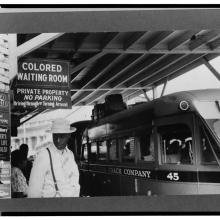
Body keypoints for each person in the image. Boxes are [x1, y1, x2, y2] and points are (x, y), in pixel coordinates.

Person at [27, 118, 80, 198]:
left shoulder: (70, 154)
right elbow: (33, 192)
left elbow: (75, 181)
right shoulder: (44, 155)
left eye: (62, 136)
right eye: (55, 136)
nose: (58, 140)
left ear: (69, 135)